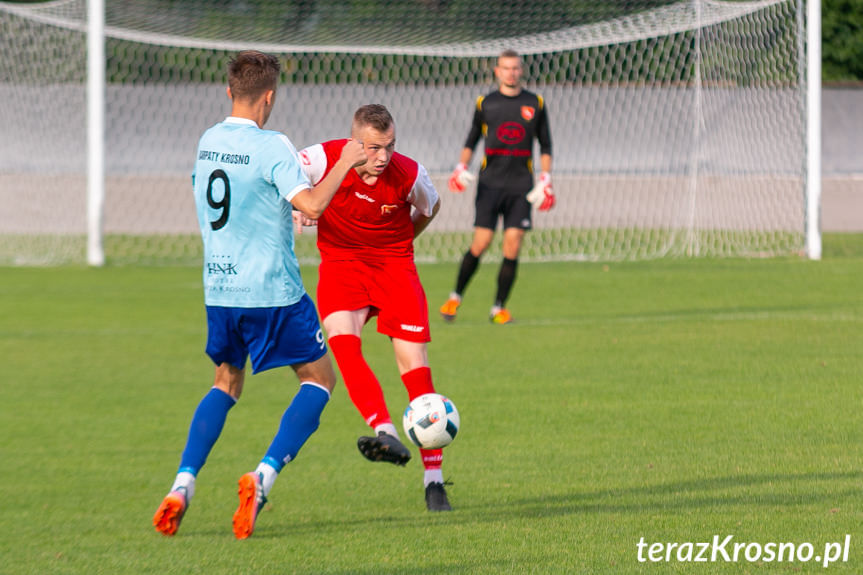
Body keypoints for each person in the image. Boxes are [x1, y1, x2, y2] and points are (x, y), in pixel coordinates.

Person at [152, 50, 366, 539]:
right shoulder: (273, 145)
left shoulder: (208, 140)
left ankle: (182, 485)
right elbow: (310, 202)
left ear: (230, 92)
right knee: (319, 380)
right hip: (271, 289)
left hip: (219, 288)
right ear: (269, 97)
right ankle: (262, 476)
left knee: (225, 383)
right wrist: (346, 163)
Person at [295, 104, 451, 511]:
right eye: (374, 148)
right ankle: (385, 431)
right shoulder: (318, 158)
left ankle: (434, 481)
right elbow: (282, 184)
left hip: (394, 265)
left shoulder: (409, 174)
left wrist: (399, 240)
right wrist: (297, 208)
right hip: (342, 264)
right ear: (355, 142)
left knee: (415, 369)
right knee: (343, 344)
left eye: (390, 146)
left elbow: (431, 208)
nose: (383, 157)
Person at [440, 49, 555, 325]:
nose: (511, 72)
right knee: (481, 243)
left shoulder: (535, 102)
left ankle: (498, 308)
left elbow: (546, 144)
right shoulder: (486, 103)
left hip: (521, 187)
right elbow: (471, 139)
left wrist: (546, 178)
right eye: (506, 68)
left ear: (521, 70)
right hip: (490, 185)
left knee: (512, 245)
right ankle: (454, 298)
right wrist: (460, 167)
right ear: (497, 71)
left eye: (515, 68)